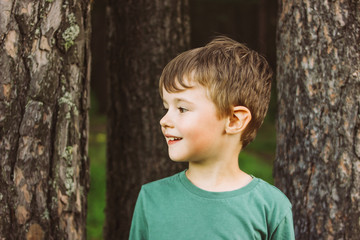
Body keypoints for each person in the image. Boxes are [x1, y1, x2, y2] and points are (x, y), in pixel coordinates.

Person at [129, 36, 295, 240]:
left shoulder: (271, 207)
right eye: (166, 108)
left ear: (234, 120)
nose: (164, 120)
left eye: (182, 108)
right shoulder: (151, 198)